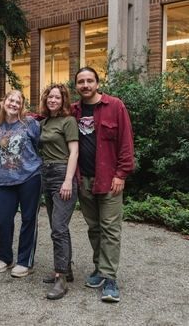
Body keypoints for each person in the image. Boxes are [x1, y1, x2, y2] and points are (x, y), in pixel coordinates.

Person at [71, 67, 135, 303]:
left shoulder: (115, 106)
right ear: (76, 86)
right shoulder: (73, 110)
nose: (85, 85)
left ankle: (110, 278)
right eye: (81, 82)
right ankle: (99, 268)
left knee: (110, 228)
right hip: (84, 179)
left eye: (89, 81)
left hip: (109, 179)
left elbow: (126, 141)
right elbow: (47, 116)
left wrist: (122, 174)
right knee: (94, 227)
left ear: (98, 83)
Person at [0, 90, 42, 278]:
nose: (13, 104)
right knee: (3, 220)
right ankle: (5, 258)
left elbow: (40, 146)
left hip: (30, 177)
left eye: (18, 101)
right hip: (6, 181)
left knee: (28, 220)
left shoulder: (30, 124)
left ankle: (25, 262)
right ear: (4, 102)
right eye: (11, 100)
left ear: (22, 105)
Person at [38, 84, 79, 300]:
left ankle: (60, 278)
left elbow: (74, 152)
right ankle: (67, 270)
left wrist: (68, 181)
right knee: (57, 226)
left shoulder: (68, 121)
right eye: (50, 97)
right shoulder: (44, 122)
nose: (53, 100)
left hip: (63, 173)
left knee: (59, 228)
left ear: (64, 100)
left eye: (57, 97)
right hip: (47, 173)